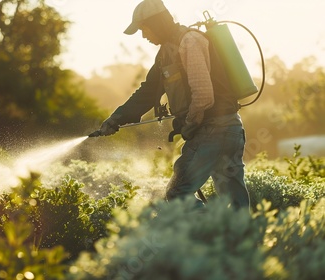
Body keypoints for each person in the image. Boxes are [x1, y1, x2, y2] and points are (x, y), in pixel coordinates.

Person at [97, 0, 250, 209]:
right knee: (234, 201)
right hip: (229, 129)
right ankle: (240, 238)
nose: (144, 36)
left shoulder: (189, 41)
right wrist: (117, 118)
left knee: (178, 193)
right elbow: (148, 92)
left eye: (144, 29)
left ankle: (211, 235)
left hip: (213, 129)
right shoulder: (166, 53)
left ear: (157, 23)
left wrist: (189, 124)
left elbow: (204, 95)